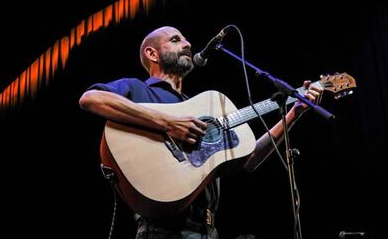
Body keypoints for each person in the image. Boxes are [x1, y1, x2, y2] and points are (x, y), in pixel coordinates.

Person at [79, 26, 323, 239]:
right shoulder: (137, 89)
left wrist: (292, 114)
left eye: (186, 40)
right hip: (161, 229)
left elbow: (249, 159)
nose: (187, 44)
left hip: (208, 229)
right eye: (175, 40)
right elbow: (91, 99)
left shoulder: (201, 107)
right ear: (152, 53)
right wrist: (167, 123)